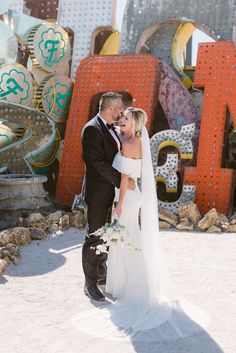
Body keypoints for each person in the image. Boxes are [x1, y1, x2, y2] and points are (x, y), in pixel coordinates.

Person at [73, 107, 210, 341]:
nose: (121, 120)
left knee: (126, 241)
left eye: (125, 118)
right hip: (128, 195)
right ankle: (124, 283)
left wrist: (119, 204)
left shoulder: (129, 143)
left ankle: (131, 286)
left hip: (125, 197)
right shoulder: (130, 138)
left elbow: (126, 179)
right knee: (126, 239)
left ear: (134, 124)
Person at [81, 92, 135, 301]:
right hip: (99, 194)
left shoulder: (114, 128)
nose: (122, 110)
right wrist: (122, 181)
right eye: (120, 107)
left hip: (114, 192)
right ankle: (90, 283)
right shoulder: (92, 129)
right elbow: (97, 163)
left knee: (108, 234)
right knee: (94, 236)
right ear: (111, 108)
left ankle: (102, 273)